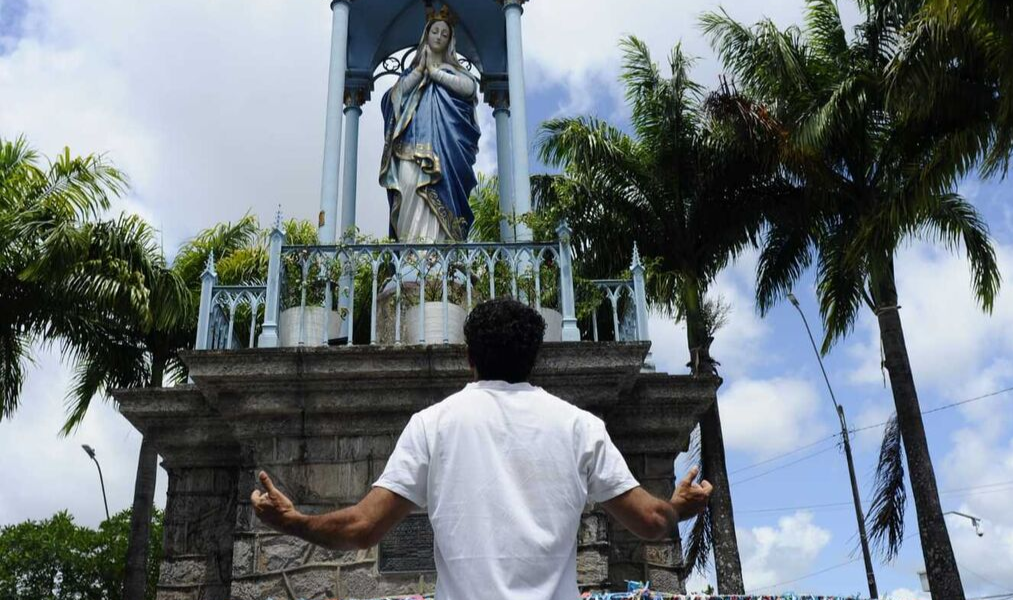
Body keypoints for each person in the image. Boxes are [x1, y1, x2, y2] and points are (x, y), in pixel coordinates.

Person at [251, 299, 712, 600]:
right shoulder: (579, 427)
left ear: (469, 356)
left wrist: (292, 521)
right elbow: (652, 522)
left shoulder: (433, 425)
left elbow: (362, 528)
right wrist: (678, 506)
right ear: (536, 358)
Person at [379, 6, 480, 243]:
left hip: (446, 149)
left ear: (450, 42)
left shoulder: (454, 72)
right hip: (409, 146)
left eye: (445, 34)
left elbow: (469, 88)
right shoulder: (412, 74)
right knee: (409, 183)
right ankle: (410, 255)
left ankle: (439, 256)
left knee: (443, 189)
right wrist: (421, 72)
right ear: (427, 34)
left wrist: (437, 75)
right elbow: (394, 97)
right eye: (435, 31)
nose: (439, 36)